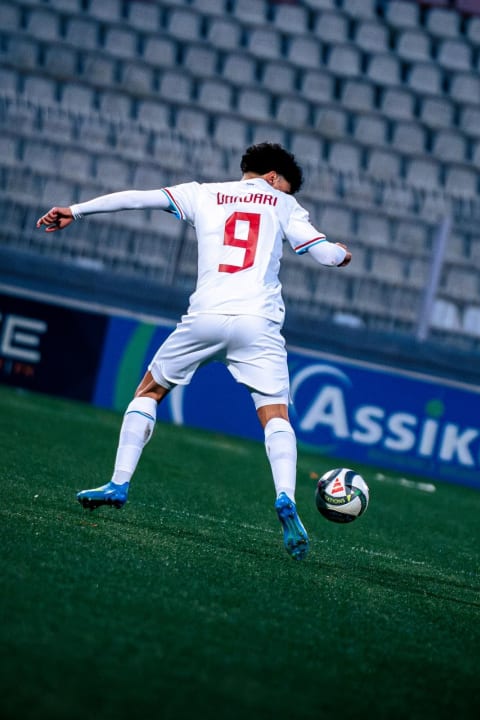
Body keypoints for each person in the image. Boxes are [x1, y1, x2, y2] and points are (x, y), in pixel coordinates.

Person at [36, 142, 351, 561]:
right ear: (274, 178)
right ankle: (285, 497)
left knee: (149, 391)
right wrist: (342, 253)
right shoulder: (283, 203)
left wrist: (75, 211)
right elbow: (326, 256)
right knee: (276, 416)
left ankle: (118, 482)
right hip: (257, 323)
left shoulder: (203, 193)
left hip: (204, 316)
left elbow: (136, 199)